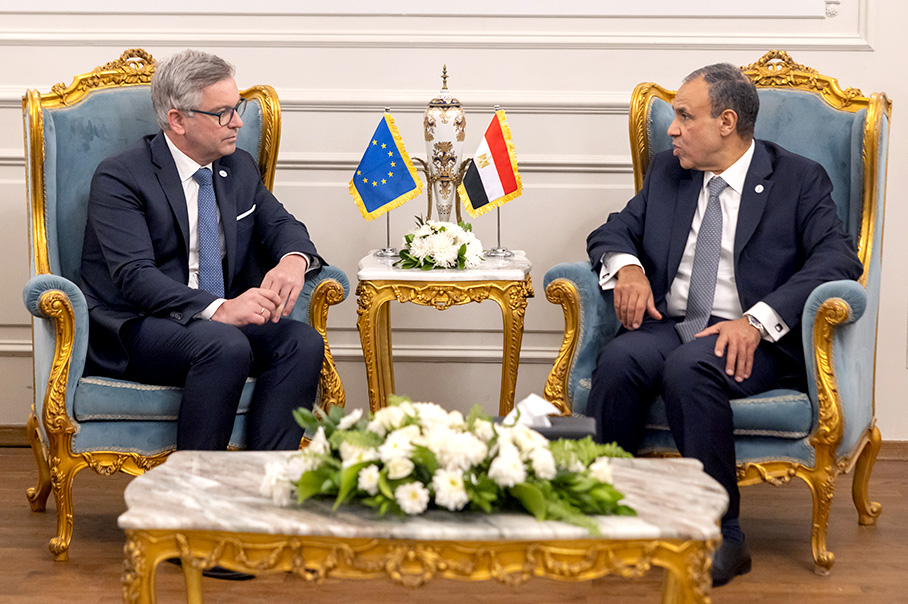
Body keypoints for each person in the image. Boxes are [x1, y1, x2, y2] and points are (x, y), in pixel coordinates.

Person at [586, 63, 863, 587]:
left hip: (751, 338)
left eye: (685, 117)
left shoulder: (798, 179)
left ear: (726, 122)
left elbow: (838, 260)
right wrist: (628, 267)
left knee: (692, 368)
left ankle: (723, 535)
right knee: (621, 359)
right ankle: (609, 514)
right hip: (673, 322)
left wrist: (758, 321)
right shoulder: (671, 173)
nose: (672, 130)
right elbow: (613, 230)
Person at [80, 49, 326, 453]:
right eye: (223, 112)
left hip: (215, 318)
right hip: (141, 324)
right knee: (224, 344)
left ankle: (265, 480)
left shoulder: (238, 166)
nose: (238, 122)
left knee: (301, 342)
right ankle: (196, 494)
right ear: (178, 120)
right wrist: (220, 309)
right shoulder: (121, 177)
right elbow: (135, 278)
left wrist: (293, 262)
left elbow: (283, 226)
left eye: (238, 107)